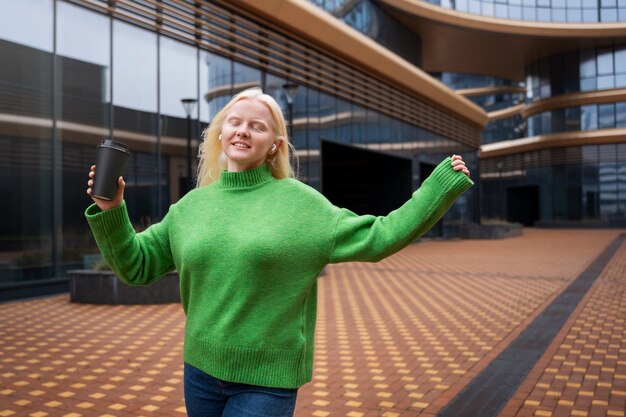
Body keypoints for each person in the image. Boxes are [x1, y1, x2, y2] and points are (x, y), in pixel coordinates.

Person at [85, 87, 472, 417]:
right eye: (236, 122)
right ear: (221, 133)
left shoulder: (302, 205)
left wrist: (436, 189)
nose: (243, 131)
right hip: (199, 372)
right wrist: (111, 210)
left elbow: (381, 236)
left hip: (266, 382)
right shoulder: (190, 207)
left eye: (257, 125)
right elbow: (135, 266)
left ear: (274, 144)